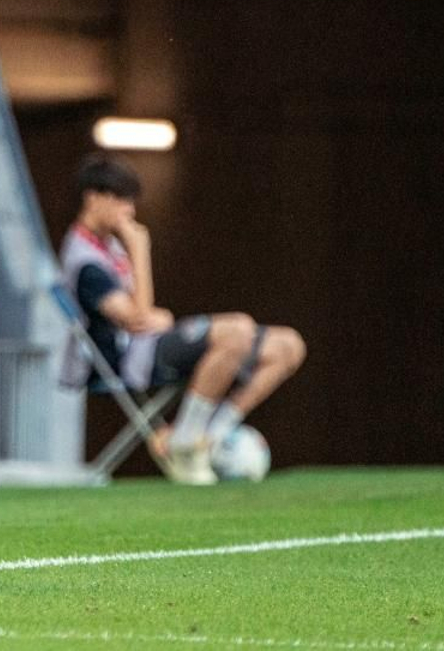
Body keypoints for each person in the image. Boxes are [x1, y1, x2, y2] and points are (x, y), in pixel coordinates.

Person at [60, 156, 306, 485]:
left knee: (288, 346)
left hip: (151, 343)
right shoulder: (84, 259)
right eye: (121, 199)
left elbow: (150, 314)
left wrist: (150, 315)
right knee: (237, 330)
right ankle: (185, 442)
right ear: (94, 198)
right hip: (129, 359)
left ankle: (212, 434)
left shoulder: (110, 247)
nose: (129, 210)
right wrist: (140, 251)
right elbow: (137, 317)